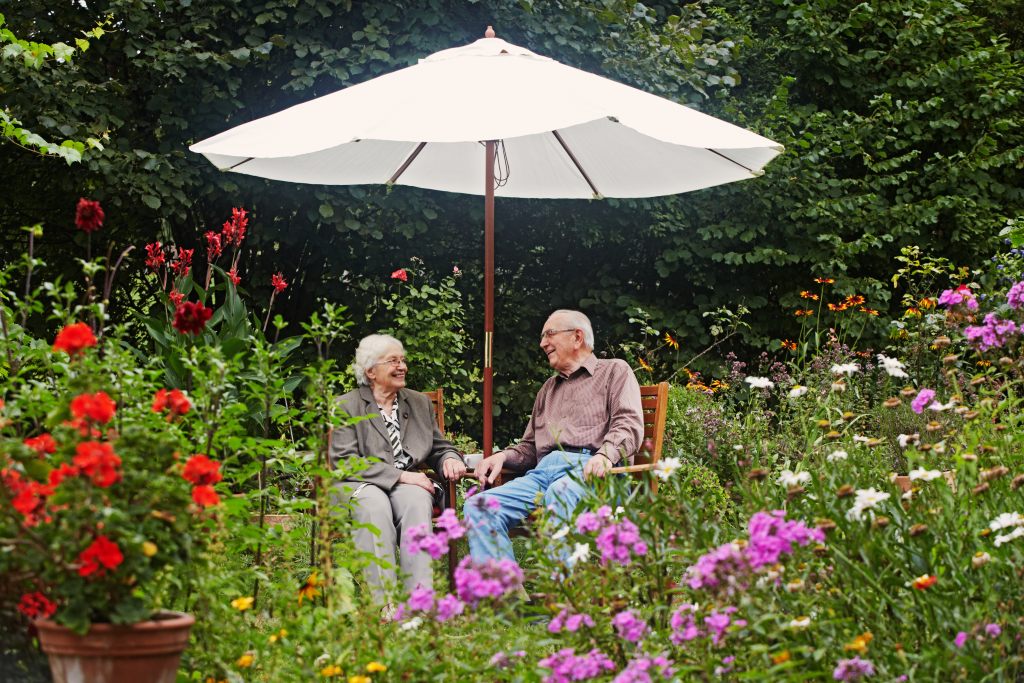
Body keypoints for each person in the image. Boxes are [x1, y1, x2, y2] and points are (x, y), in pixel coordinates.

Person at [465, 309, 643, 561]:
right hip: (543, 475)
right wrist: (501, 457)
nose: (542, 343)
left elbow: (629, 424)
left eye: (549, 334)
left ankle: (558, 595)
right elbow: (529, 448)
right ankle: (504, 594)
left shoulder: (615, 372)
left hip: (596, 473)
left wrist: (605, 455)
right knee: (478, 506)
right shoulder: (548, 389)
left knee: (560, 493)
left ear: (577, 337)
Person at [330, 334, 466, 604]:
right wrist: (401, 475)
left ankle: (419, 600)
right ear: (370, 371)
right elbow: (345, 461)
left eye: (403, 360)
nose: (402, 366)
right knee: (374, 505)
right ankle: (386, 604)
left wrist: (450, 457)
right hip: (360, 483)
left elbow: (438, 446)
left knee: (416, 498)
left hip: (407, 485)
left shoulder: (417, 403)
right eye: (393, 361)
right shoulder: (346, 406)